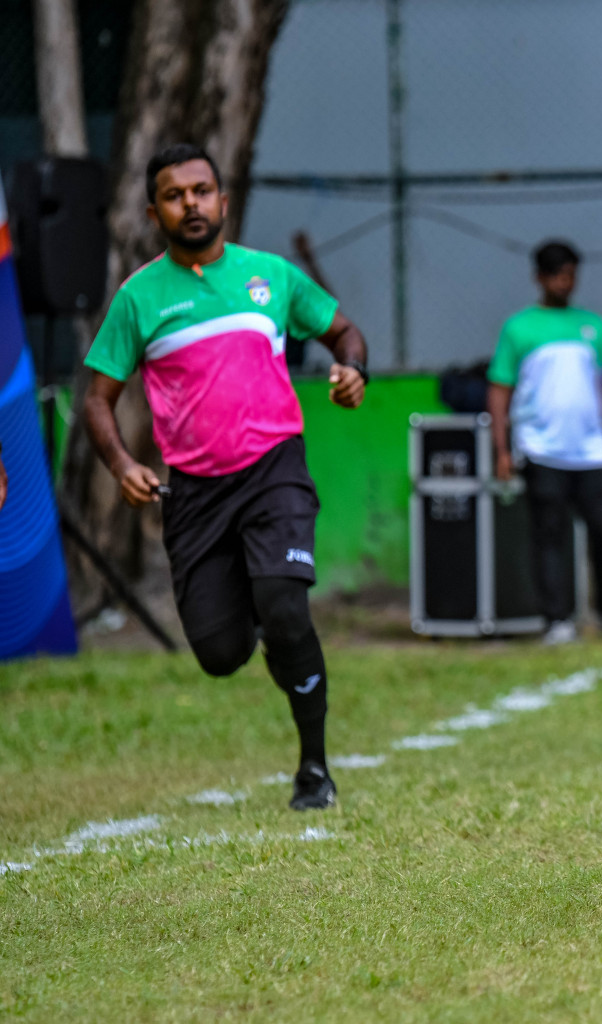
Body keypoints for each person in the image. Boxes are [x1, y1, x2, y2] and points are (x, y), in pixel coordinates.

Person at [80, 143, 369, 811]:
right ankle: (261, 616)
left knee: (287, 608)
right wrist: (123, 463)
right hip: (195, 491)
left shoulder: (272, 276)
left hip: (274, 469)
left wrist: (355, 369)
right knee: (218, 653)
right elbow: (97, 398)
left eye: (202, 190)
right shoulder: (138, 298)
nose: (192, 204)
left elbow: (345, 333)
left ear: (224, 199)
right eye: (176, 196)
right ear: (155, 213)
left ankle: (314, 770)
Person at [486, 241, 602, 645]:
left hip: (592, 452)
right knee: (550, 536)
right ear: (540, 277)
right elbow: (499, 390)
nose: (565, 283)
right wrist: (502, 449)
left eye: (570, 274)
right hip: (541, 449)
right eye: (557, 275)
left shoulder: (594, 326)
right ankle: (558, 621)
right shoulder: (519, 327)